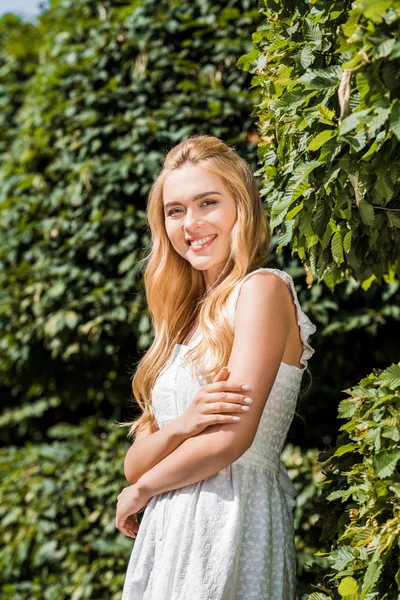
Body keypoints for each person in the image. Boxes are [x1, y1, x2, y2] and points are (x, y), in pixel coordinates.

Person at [115, 134, 317, 599]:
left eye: (208, 202)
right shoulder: (180, 322)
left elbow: (230, 440)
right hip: (168, 528)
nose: (191, 222)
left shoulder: (262, 290)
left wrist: (143, 492)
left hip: (229, 515)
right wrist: (184, 425)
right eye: (176, 210)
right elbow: (135, 463)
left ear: (240, 207)